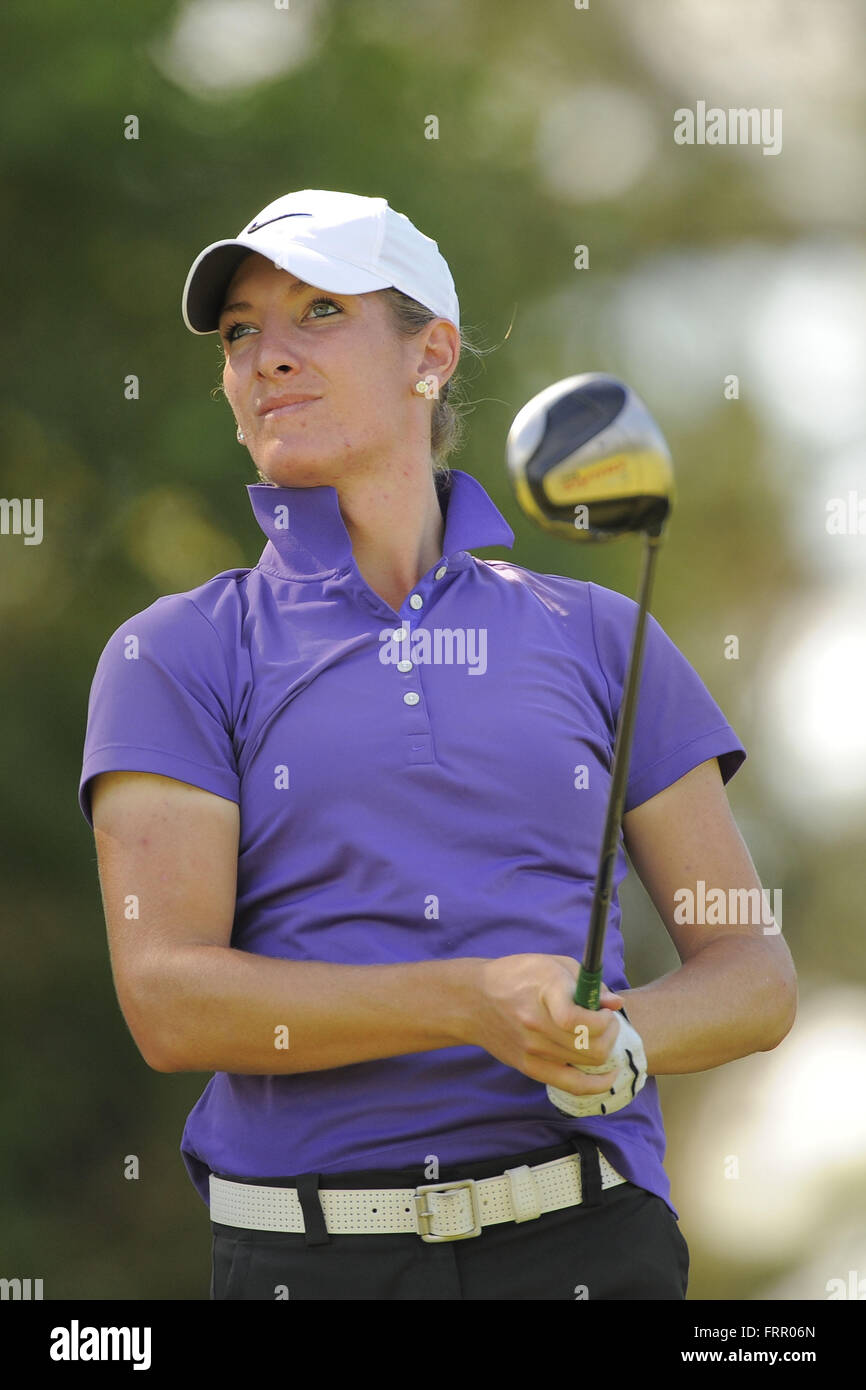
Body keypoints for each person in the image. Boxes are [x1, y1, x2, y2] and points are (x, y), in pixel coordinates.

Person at [78, 188, 797, 1301]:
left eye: (316, 312)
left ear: (431, 355)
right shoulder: (171, 654)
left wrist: (623, 1039)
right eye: (239, 332)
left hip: (587, 1250)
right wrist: (469, 1001)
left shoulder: (601, 635)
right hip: (304, 1263)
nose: (266, 355)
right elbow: (168, 1001)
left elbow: (750, 973)